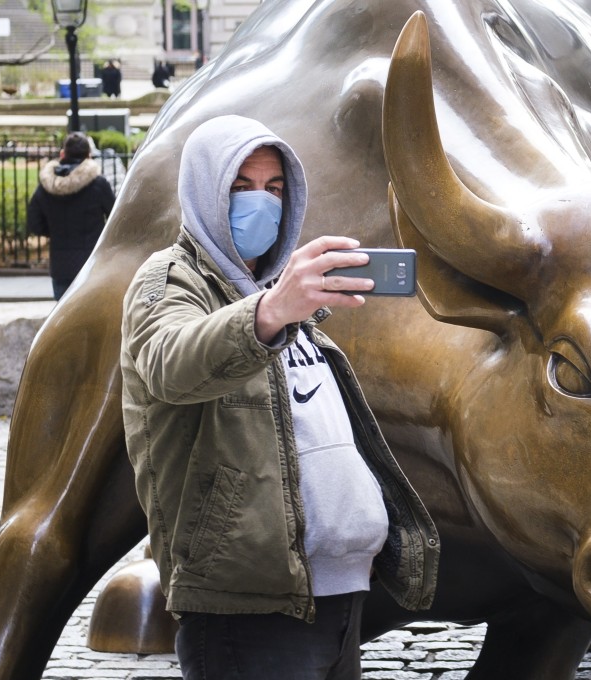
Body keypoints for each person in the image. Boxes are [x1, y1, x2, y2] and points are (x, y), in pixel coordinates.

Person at [119, 115, 439, 680]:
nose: (260, 204)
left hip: (337, 596)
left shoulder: (277, 294)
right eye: (240, 186)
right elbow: (171, 364)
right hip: (248, 605)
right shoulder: (169, 280)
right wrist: (270, 312)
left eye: (274, 189)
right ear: (205, 192)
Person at [26, 132, 115, 300]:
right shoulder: (98, 184)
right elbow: (114, 217)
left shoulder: (46, 186)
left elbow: (34, 223)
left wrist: (54, 230)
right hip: (91, 263)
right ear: (88, 156)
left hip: (60, 266)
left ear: (62, 154)